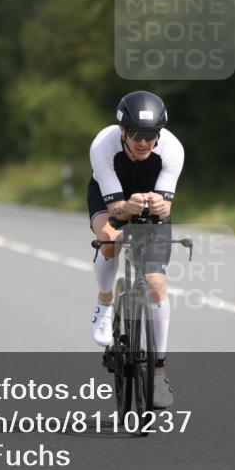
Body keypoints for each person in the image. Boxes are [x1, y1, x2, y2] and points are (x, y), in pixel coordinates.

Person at [87, 91, 184, 408]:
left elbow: (166, 211)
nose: (144, 142)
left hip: (148, 201)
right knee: (111, 243)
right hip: (111, 196)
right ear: (123, 131)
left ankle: (158, 373)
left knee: (156, 284)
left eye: (151, 135)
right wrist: (125, 209)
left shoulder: (172, 149)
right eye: (137, 135)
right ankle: (105, 302)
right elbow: (115, 210)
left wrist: (161, 205)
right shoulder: (103, 146)